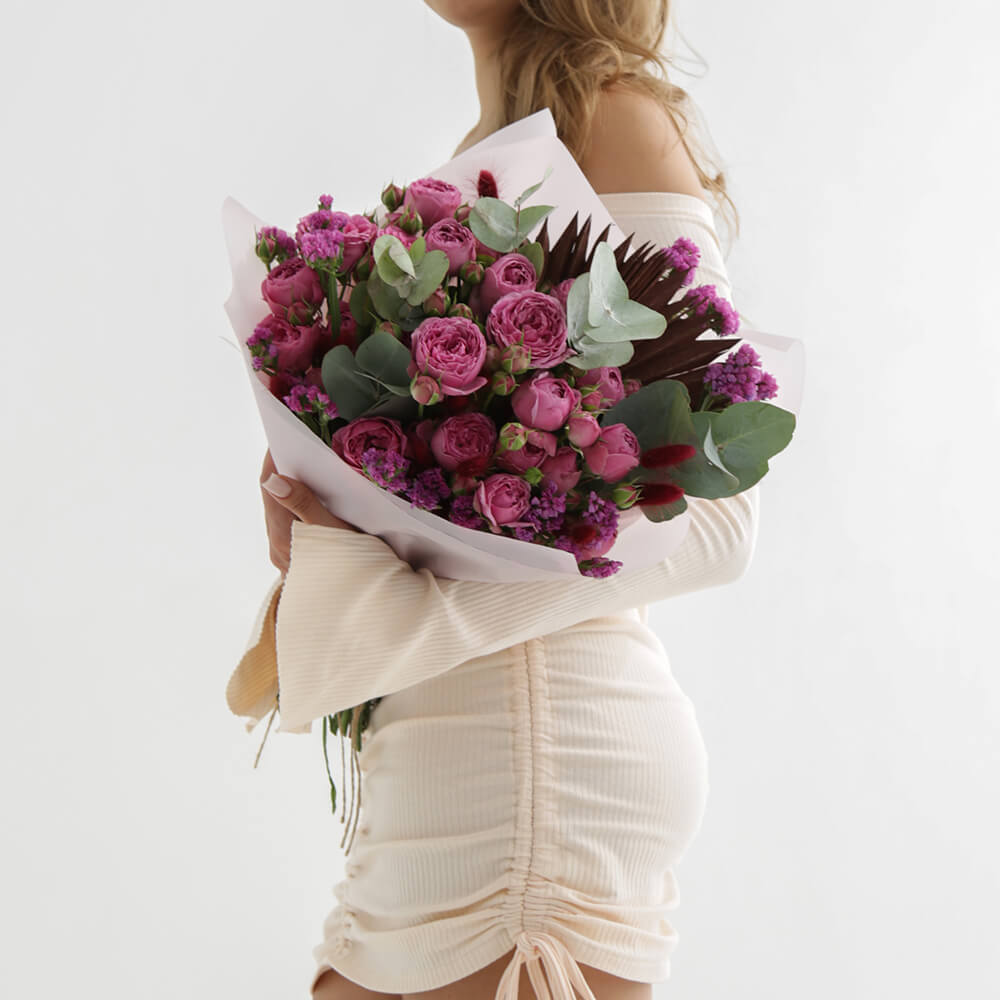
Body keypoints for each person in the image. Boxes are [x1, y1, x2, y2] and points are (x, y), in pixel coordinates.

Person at [228, 2, 758, 997]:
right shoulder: (487, 153)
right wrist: (336, 532)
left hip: (537, 765)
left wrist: (383, 613)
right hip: (443, 756)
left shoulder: (614, 118)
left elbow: (718, 514)